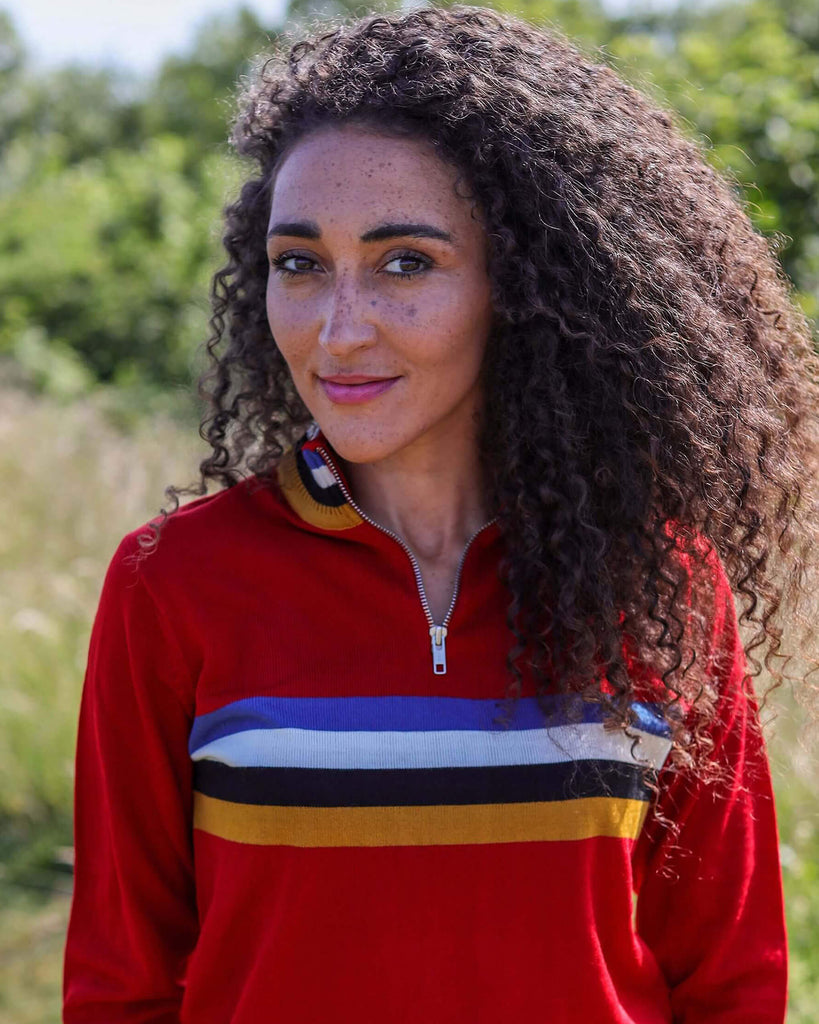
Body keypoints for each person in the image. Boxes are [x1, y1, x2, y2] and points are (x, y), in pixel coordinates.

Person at [63, 6, 819, 1023]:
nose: (339, 329)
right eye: (300, 263)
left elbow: (732, 985)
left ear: (529, 281)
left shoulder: (663, 583)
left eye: (405, 262)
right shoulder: (175, 581)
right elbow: (120, 985)